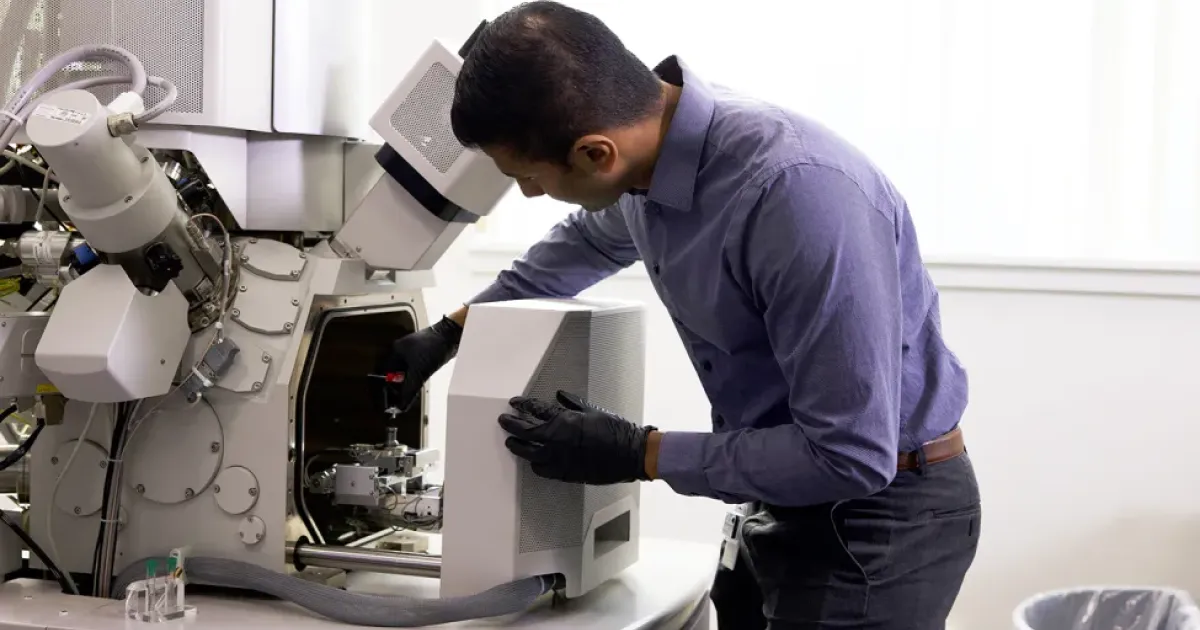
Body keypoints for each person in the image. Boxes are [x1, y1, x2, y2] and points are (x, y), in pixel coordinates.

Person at [377, 2, 981, 628]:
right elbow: (581, 246)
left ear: (595, 153)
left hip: (878, 519)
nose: (530, 193)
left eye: (527, 177)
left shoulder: (794, 195)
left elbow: (849, 455)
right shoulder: (649, 163)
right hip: (781, 500)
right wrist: (451, 331)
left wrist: (640, 452)